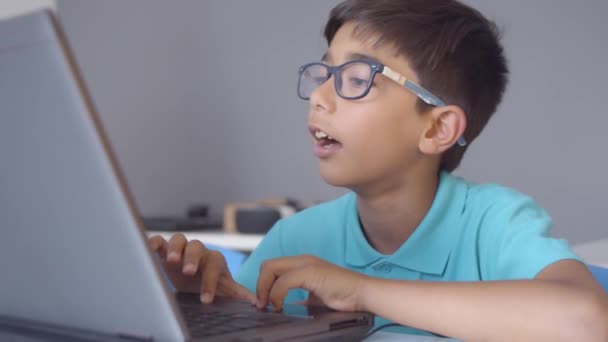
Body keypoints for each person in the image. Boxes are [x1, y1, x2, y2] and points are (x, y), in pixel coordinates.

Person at [149, 0, 608, 340]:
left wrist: (362, 291)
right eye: (325, 74)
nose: (319, 96)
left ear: (437, 129)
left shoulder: (494, 223)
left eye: (355, 79)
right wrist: (205, 302)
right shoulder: (297, 240)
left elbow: (586, 322)